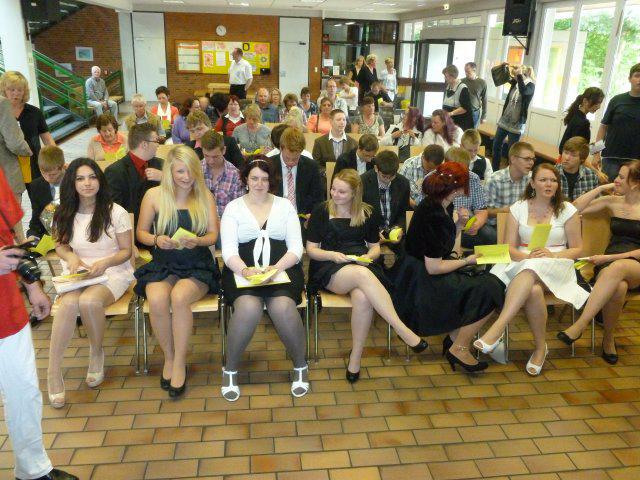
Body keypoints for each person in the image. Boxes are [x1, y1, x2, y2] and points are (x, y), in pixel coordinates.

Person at [306, 169, 428, 382]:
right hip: (329, 265)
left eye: (342, 192)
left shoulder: (367, 212)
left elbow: (375, 248)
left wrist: (368, 257)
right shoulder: (321, 211)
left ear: (355, 193)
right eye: (333, 189)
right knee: (362, 275)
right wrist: (333, 255)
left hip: (361, 263)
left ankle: (355, 358)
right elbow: (311, 250)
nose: (335, 194)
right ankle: (401, 329)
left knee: (363, 297)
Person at [0, 167, 78, 480]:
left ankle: (33, 470)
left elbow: (9, 235)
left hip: (7, 308)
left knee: (24, 390)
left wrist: (32, 284)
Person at [392, 162, 504, 373]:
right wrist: (468, 261)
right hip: (422, 281)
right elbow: (434, 267)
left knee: (488, 285)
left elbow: (444, 246)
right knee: (490, 289)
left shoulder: (440, 205)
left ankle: (455, 340)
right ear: (456, 188)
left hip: (419, 271)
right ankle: (458, 346)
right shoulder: (434, 215)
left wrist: (459, 225)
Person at [476, 164, 587, 375]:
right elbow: (508, 248)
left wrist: (552, 255)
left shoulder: (567, 209)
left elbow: (577, 249)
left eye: (553, 180)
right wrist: (527, 257)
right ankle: (540, 348)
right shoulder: (518, 207)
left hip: (557, 262)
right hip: (524, 260)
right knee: (533, 289)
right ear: (532, 183)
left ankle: (497, 329)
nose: (549, 184)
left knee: (531, 269)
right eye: (543, 180)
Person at [48, 158, 135, 407]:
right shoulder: (64, 211)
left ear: (99, 180)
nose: (87, 183)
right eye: (80, 178)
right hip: (78, 273)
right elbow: (61, 246)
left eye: (92, 177)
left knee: (88, 302)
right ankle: (53, 371)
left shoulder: (115, 211)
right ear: (72, 183)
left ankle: (96, 352)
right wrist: (71, 258)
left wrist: (105, 263)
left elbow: (126, 251)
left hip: (112, 270)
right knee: (67, 305)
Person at [220, 158, 309, 401]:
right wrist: (246, 271)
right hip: (242, 272)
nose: (259, 184)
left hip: (282, 269)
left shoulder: (285, 205)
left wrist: (275, 269)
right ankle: (230, 370)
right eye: (254, 178)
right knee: (248, 308)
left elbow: (296, 248)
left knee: (283, 307)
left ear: (272, 181)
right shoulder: (233, 208)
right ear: (245, 180)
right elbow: (229, 251)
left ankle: (300, 366)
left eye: (265, 179)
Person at [135, 145, 220, 397]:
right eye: (180, 171)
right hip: (164, 261)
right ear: (170, 172)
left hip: (197, 264)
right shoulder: (153, 195)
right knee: (157, 298)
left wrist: (199, 240)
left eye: (191, 171)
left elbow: (214, 235)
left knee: (179, 297)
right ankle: (169, 357)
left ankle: (180, 361)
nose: (186, 177)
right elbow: (141, 233)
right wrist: (156, 239)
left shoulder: (205, 195)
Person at [557, 161, 640, 363]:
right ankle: (608, 339)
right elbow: (573, 208)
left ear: (635, 183)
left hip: (633, 263)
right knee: (619, 287)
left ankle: (581, 324)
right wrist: (601, 188)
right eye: (617, 176)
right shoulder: (613, 202)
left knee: (619, 267)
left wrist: (608, 258)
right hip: (610, 265)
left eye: (621, 177)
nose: (616, 180)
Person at [1, 71, 55, 187]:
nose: (16, 93)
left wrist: (56, 158)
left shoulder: (35, 112)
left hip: (34, 162)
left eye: (20, 90)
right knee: (14, 197)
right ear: (4, 90)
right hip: (9, 165)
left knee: (41, 196)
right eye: (11, 89)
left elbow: (47, 138)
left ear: (24, 91)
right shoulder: (2, 113)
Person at [104, 123, 163, 223]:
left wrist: (165, 177)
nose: (158, 145)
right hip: (131, 225)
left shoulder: (161, 165)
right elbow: (115, 211)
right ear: (144, 144)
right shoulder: (115, 172)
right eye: (156, 141)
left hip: (160, 224)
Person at [594, 64, 640, 181]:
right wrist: (596, 153)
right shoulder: (616, 100)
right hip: (611, 158)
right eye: (637, 76)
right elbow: (603, 128)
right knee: (606, 189)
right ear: (629, 78)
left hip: (635, 162)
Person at [484, 141, 535, 245]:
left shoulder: (532, 179)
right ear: (513, 159)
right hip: (497, 225)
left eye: (533, 159)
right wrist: (507, 211)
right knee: (491, 235)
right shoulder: (495, 180)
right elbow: (485, 211)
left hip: (522, 224)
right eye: (527, 159)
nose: (531, 163)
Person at [441, 147, 491, 250]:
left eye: (464, 171)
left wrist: (477, 224)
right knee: (473, 241)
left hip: (467, 223)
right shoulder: (433, 179)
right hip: (442, 224)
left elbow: (481, 210)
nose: (460, 176)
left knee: (491, 236)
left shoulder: (473, 178)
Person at [269, 127, 323, 221]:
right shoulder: (269, 165)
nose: (290, 162)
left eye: (295, 159)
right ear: (281, 148)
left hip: (302, 218)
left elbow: (318, 198)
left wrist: (312, 215)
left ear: (301, 152)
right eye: (287, 158)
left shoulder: (311, 166)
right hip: (274, 217)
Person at [492, 64, 536, 171]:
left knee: (512, 152)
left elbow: (524, 92)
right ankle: (494, 170)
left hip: (516, 123)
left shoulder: (530, 86)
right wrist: (503, 67)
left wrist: (519, 76)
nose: (514, 78)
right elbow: (500, 78)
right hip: (505, 120)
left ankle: (511, 172)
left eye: (516, 76)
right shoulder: (516, 83)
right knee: (496, 144)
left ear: (523, 75)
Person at [0, 95, 32, 241]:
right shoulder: (2, 103)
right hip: (5, 171)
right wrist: (29, 151)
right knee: (12, 221)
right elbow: (14, 142)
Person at [361, 150, 410, 236]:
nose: (387, 180)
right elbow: (359, 212)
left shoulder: (403, 183)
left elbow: (404, 211)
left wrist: (399, 228)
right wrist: (373, 233)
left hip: (393, 232)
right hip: (370, 231)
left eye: (391, 177)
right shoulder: (363, 182)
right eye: (384, 176)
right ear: (376, 168)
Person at [200, 130, 244, 219]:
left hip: (226, 223)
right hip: (200, 223)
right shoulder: (196, 169)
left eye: (215, 157)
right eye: (206, 156)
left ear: (224, 150)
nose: (210, 161)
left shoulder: (236, 176)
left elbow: (238, 210)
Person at [27, 145, 65, 239]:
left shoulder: (76, 181)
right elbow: (36, 221)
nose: (48, 178)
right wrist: (32, 236)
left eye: (53, 174)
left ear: (62, 167)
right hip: (50, 236)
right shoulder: (36, 186)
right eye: (43, 173)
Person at [559, 87, 604, 154]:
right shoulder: (582, 122)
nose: (599, 107)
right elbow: (578, 149)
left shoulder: (576, 115)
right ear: (585, 101)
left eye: (600, 103)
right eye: (597, 103)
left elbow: (581, 146)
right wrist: (601, 145)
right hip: (570, 157)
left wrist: (600, 145)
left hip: (566, 155)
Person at [399, 144, 445, 209]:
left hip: (434, 207)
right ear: (423, 157)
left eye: (434, 168)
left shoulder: (442, 168)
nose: (431, 171)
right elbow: (400, 191)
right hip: (412, 206)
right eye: (429, 167)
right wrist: (414, 205)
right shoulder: (409, 166)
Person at [557, 136, 600, 201]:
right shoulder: (552, 173)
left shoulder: (591, 176)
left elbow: (596, 202)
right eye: (566, 152)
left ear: (582, 159)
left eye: (573, 155)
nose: (567, 158)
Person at [442, 65, 474, 131]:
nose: (445, 78)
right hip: (451, 122)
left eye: (446, 76)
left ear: (452, 76)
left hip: (461, 123)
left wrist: (451, 113)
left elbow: (465, 108)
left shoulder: (462, 88)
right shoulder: (448, 87)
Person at [461, 62, 487, 128]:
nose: (466, 74)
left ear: (474, 70)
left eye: (468, 72)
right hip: (462, 111)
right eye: (465, 71)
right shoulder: (462, 81)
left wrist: (484, 116)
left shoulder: (482, 83)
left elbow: (484, 100)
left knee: (471, 132)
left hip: (474, 113)